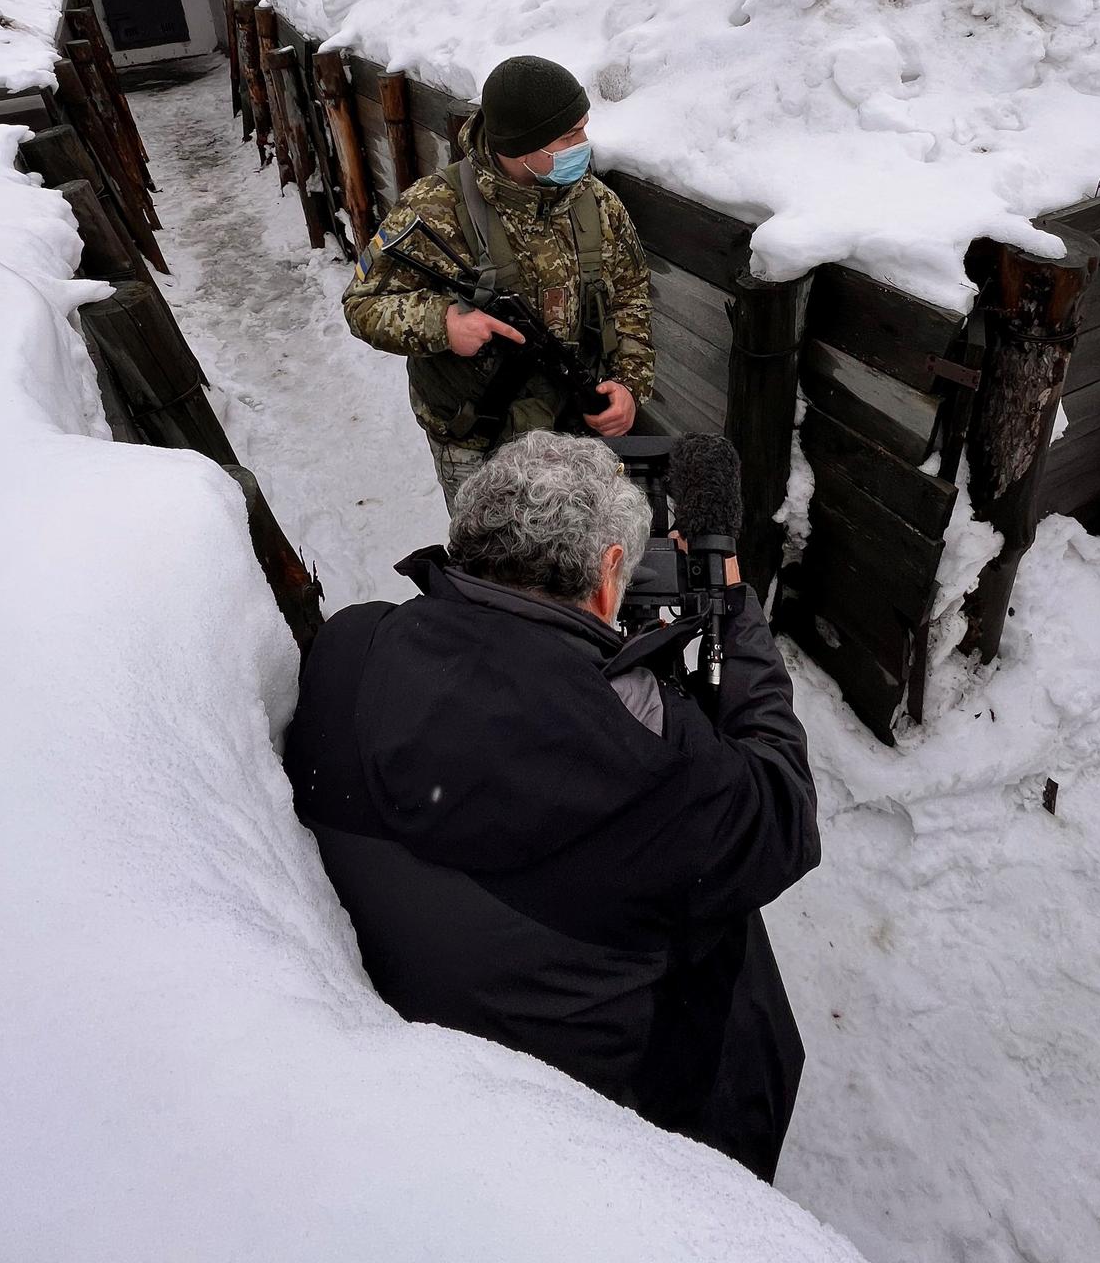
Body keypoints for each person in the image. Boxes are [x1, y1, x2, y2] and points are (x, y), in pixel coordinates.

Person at [284, 432, 820, 1181]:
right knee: (727, 927)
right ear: (610, 574)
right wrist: (727, 602)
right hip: (584, 1123)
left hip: (406, 1034)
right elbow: (784, 814)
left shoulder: (350, 647)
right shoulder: (660, 769)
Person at [342, 54, 654, 510]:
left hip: (573, 429)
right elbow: (363, 303)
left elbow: (631, 301)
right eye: (569, 136)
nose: (583, 144)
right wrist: (443, 323)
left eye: (583, 128)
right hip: (475, 439)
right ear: (521, 146)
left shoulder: (597, 206)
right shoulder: (435, 207)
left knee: (575, 558)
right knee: (490, 564)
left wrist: (629, 385)